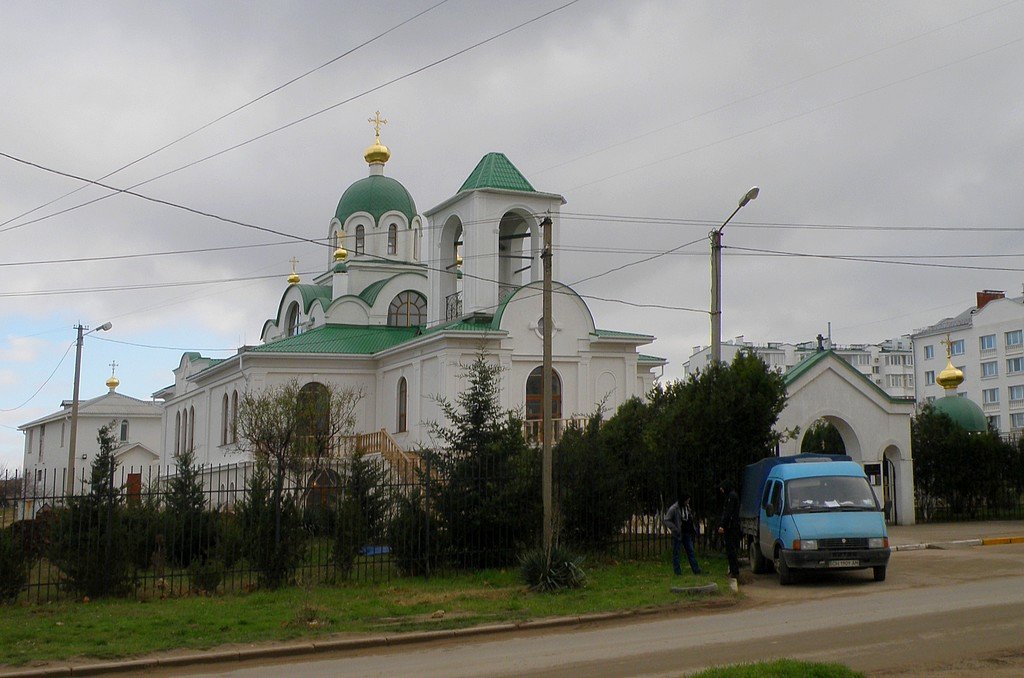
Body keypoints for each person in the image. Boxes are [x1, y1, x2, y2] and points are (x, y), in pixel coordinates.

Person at [663, 493, 702, 575]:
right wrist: (674, 529)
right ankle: (677, 572)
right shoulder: (674, 508)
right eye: (687, 501)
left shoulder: (687, 507)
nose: (688, 502)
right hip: (678, 534)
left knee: (691, 551)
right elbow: (666, 520)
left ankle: (696, 570)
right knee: (676, 553)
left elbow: (689, 517)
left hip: (686, 533)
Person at [716, 479, 741, 584]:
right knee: (730, 549)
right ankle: (733, 570)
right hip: (731, 526)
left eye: (722, 488)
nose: (721, 491)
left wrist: (722, 525)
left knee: (731, 550)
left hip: (731, 527)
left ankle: (734, 571)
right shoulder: (731, 496)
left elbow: (728, 513)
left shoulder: (731, 497)